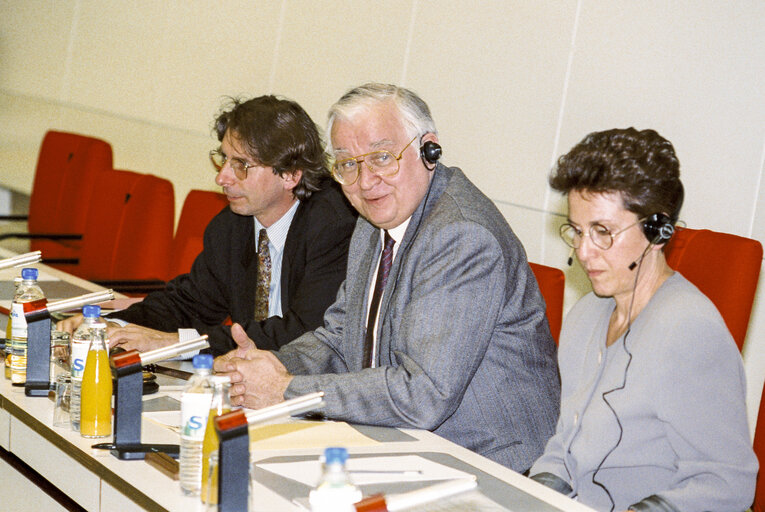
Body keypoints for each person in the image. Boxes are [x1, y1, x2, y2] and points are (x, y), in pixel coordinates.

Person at [214, 83, 560, 473]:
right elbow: (339, 337)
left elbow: (423, 394)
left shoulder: (461, 236)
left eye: (381, 157)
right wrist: (265, 366)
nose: (365, 181)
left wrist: (286, 389)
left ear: (429, 150)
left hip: (486, 466)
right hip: (405, 446)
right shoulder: (373, 221)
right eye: (348, 164)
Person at [529, 128, 757, 511]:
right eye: (578, 231)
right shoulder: (586, 315)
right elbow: (563, 446)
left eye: (603, 232)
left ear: (658, 231)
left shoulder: (689, 330)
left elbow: (726, 484)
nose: (584, 252)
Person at [58, 95, 357, 356]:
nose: (222, 178)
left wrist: (179, 343)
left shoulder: (334, 225)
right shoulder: (231, 225)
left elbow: (305, 333)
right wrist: (115, 326)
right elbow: (189, 302)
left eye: (241, 165)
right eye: (223, 159)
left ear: (291, 174)